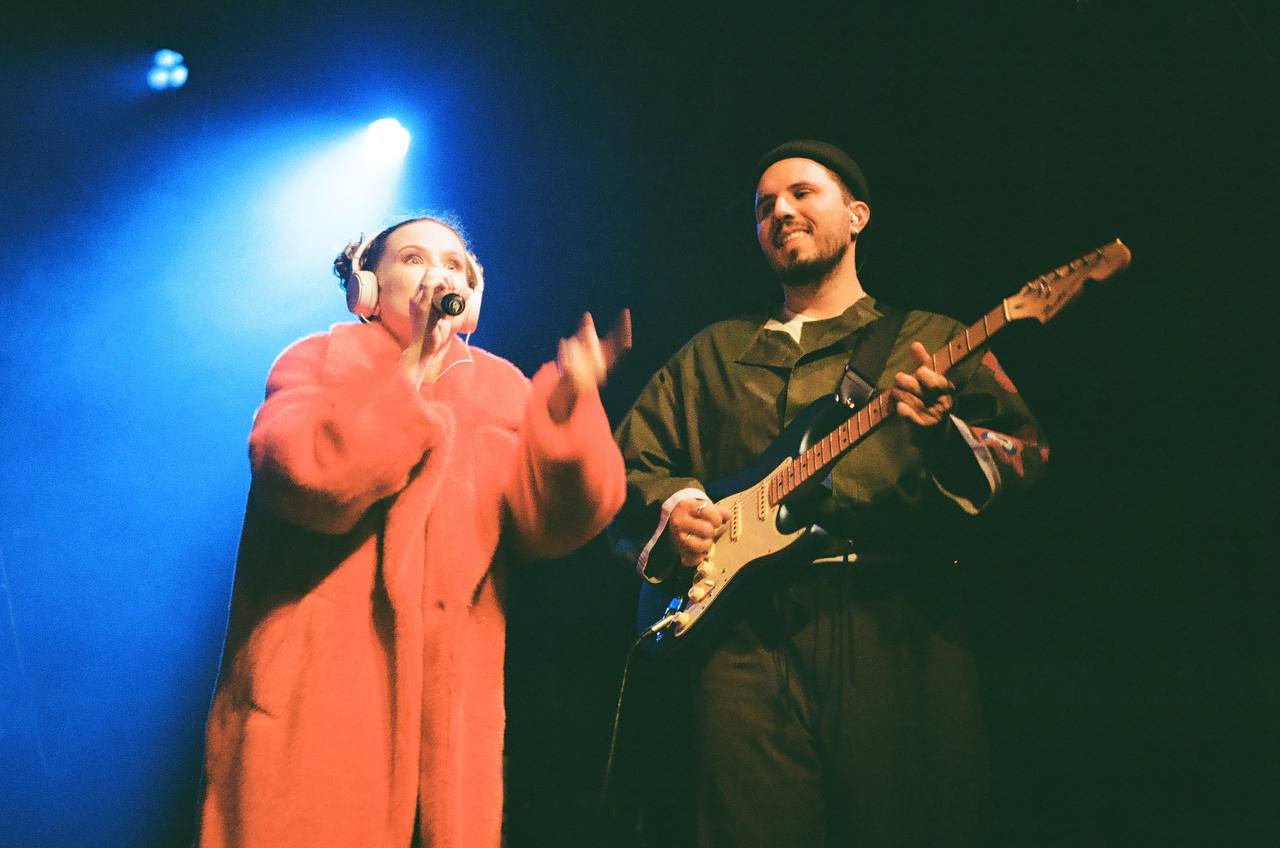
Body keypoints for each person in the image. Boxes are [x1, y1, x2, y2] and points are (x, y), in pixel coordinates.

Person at [614, 140, 1049, 846]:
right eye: (764, 207)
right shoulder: (714, 353)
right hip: (742, 644)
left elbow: (1027, 457)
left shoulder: (931, 339)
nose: (780, 212)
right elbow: (626, 464)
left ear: (857, 216)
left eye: (801, 193)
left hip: (896, 626)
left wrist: (944, 436)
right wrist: (678, 510)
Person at [198, 215, 629, 848]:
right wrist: (410, 368)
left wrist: (567, 406)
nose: (438, 275)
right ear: (368, 288)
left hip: (449, 723)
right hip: (312, 701)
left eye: (455, 266)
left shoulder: (500, 388)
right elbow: (303, 477)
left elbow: (556, 523)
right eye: (414, 259)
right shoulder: (320, 360)